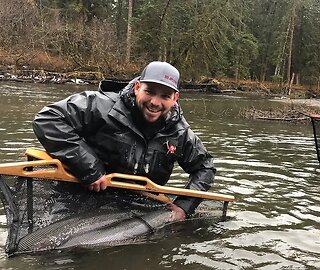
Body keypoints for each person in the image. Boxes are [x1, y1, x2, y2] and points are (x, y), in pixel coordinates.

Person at [32, 61, 216, 222]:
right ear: (137, 88)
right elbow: (48, 120)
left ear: (175, 99)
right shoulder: (98, 105)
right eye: (149, 92)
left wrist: (184, 207)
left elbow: (205, 167)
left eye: (165, 96)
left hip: (140, 207)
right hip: (80, 195)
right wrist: (89, 168)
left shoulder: (180, 132)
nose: (155, 102)